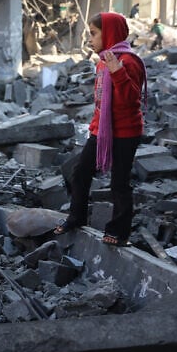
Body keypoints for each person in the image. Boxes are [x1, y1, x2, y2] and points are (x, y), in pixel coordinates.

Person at [54, 13, 147, 247]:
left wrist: (118, 71)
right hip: (102, 132)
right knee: (80, 172)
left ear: (110, 34)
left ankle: (118, 232)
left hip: (126, 133)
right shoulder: (103, 61)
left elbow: (130, 99)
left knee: (119, 184)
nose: (90, 39)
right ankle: (76, 217)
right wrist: (94, 130)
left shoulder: (129, 61)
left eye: (94, 33)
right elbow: (100, 103)